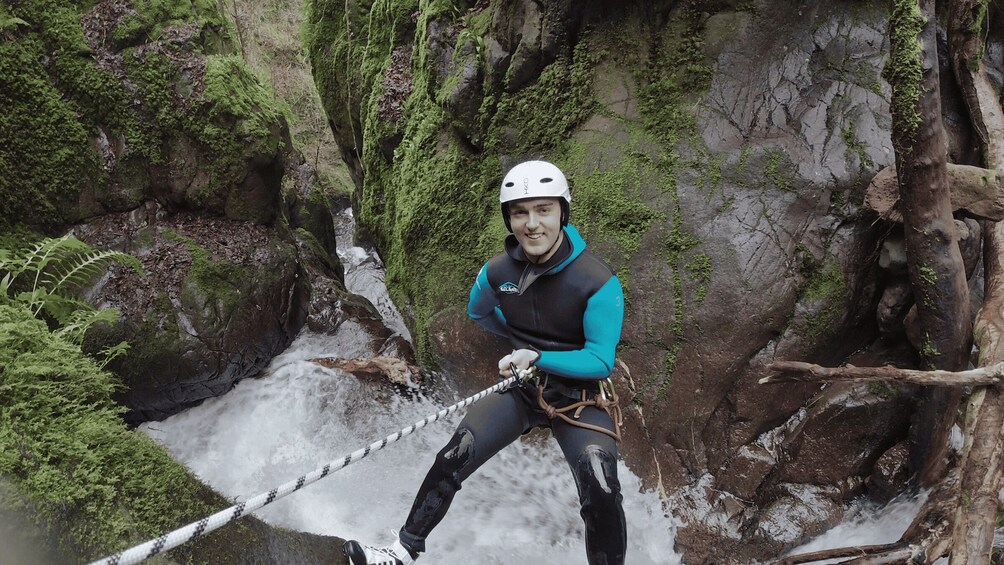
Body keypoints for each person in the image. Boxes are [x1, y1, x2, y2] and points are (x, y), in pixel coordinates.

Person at [343, 160, 627, 565]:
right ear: (508, 218)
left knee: (600, 488)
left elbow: (600, 361)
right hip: (523, 390)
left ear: (563, 211)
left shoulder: (598, 281)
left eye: (543, 209)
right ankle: (402, 551)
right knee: (455, 454)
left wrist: (536, 355)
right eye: (519, 212)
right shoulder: (497, 272)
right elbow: (479, 313)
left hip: (579, 398)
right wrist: (517, 341)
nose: (532, 223)